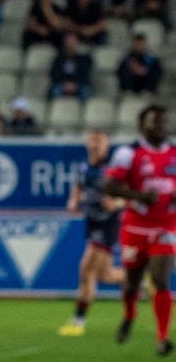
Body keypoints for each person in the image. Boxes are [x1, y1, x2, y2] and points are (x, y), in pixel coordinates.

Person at [103, 104, 176, 356]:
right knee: (132, 282)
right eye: (155, 122)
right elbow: (110, 186)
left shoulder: (174, 152)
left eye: (163, 122)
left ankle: (162, 338)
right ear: (142, 125)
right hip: (135, 227)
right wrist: (140, 196)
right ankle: (129, 315)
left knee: (161, 279)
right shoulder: (128, 153)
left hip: (166, 225)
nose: (160, 127)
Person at [60, 129, 125, 337]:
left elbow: (129, 194)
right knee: (105, 275)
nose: (96, 145)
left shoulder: (112, 169)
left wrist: (116, 203)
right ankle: (134, 276)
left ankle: (78, 321)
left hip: (108, 223)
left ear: (106, 146)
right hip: (92, 221)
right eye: (93, 141)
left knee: (86, 269)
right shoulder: (83, 167)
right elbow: (78, 187)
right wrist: (73, 200)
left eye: (100, 141)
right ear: (88, 144)